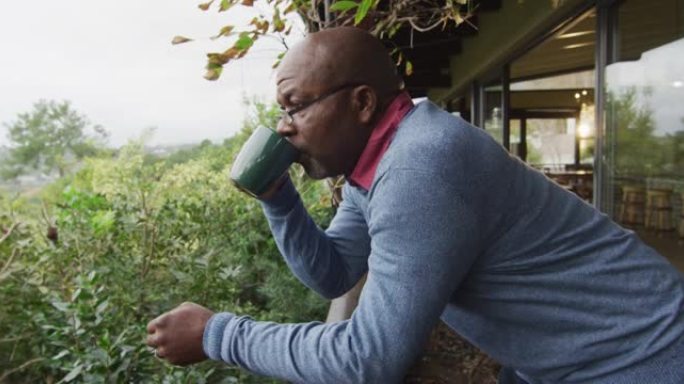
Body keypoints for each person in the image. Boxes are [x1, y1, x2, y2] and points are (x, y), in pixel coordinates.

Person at [146, 27, 684, 383]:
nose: (283, 127)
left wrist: (219, 334)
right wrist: (278, 198)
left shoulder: (420, 166)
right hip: (569, 359)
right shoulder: (380, 160)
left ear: (361, 103)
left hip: (642, 358)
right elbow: (336, 274)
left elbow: (368, 358)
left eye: (297, 107)